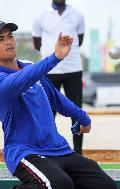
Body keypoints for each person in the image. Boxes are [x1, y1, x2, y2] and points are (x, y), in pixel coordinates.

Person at [0, 20, 117, 189]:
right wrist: (55, 58)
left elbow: (55, 97)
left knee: (105, 186)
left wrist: (82, 118)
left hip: (59, 149)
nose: (8, 41)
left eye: (10, 36)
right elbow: (19, 81)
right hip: (25, 152)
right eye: (0, 39)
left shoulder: (29, 67)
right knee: (59, 185)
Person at [32, 0, 85, 155]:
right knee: (48, 113)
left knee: (77, 112)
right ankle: (48, 151)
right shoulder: (40, 16)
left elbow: (79, 41)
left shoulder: (77, 15)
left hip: (73, 69)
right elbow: (37, 44)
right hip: (50, 70)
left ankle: (78, 152)